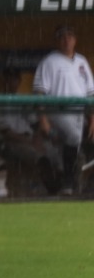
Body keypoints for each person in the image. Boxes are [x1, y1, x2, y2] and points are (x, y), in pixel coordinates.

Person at [33, 25, 94, 195]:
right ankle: (67, 183)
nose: (66, 40)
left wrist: (92, 119)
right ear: (57, 41)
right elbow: (39, 93)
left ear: (75, 40)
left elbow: (90, 93)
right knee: (73, 140)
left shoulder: (81, 61)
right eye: (62, 37)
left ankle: (74, 187)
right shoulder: (49, 61)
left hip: (79, 114)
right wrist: (43, 120)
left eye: (70, 36)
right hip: (58, 111)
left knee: (73, 151)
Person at [0, 67, 56, 196]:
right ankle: (53, 192)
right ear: (4, 80)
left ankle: (64, 190)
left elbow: (36, 124)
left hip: (29, 139)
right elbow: (6, 132)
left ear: (19, 80)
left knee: (54, 154)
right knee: (41, 158)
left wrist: (37, 139)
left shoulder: (23, 99)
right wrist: (30, 141)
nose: (12, 82)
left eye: (15, 79)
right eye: (9, 79)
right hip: (10, 142)